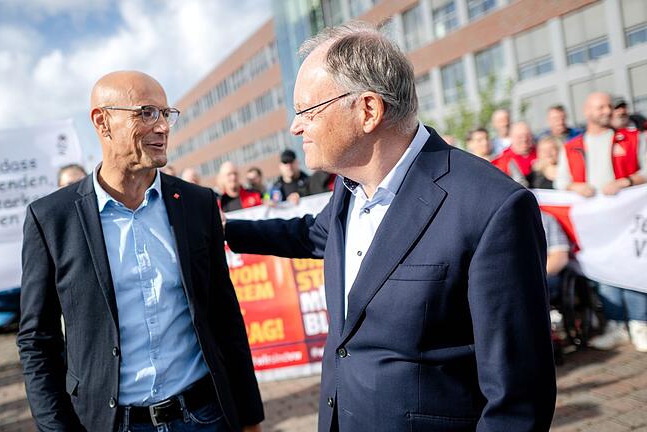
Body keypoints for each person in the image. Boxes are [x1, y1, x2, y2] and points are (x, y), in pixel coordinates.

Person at [225, 23, 555, 432]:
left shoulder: (490, 208)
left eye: (307, 111)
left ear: (367, 110)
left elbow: (518, 399)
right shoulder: (350, 190)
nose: (295, 128)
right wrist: (223, 228)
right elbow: (310, 234)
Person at [18, 71, 264, 432]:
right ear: (102, 122)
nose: (162, 126)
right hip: (114, 423)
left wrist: (249, 416)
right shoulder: (52, 218)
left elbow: (224, 316)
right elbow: (37, 342)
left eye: (166, 114)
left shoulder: (197, 204)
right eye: (147, 113)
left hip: (205, 416)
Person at [555, 92, 647, 353]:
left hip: (627, 218)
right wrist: (576, 186)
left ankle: (640, 323)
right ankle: (616, 325)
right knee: (605, 270)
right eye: (602, 106)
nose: (608, 110)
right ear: (588, 111)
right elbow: (562, 182)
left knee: (631, 266)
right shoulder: (572, 147)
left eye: (609, 106)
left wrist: (626, 182)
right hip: (595, 224)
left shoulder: (632, 138)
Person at [491, 121, 537, 186]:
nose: (524, 139)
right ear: (511, 137)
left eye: (527, 135)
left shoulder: (542, 153)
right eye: (520, 137)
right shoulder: (502, 161)